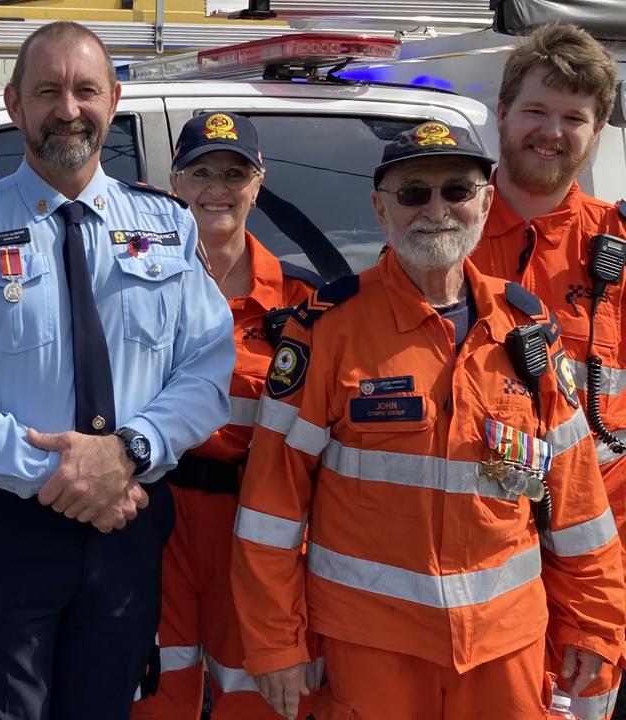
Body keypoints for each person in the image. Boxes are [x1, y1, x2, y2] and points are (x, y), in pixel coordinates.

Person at [231, 120, 626, 720]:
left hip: (506, 651)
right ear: (380, 208)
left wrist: (596, 621)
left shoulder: (526, 329)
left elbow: (578, 504)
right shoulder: (327, 331)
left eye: (456, 191)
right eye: (413, 192)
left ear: (485, 201)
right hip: (372, 650)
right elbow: (271, 508)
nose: (436, 209)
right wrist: (274, 644)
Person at [0, 21, 236, 719]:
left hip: (130, 519)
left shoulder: (168, 225)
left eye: (85, 89)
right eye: (47, 90)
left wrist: (130, 452)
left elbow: (207, 370)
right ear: (13, 103)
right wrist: (65, 476)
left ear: (113, 100)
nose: (68, 108)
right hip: (5, 524)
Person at [131, 112, 318, 720]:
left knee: (256, 694)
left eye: (234, 173)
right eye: (202, 171)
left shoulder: (302, 304)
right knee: (155, 691)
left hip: (259, 525)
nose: (218, 187)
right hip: (158, 519)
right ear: (175, 182)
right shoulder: (136, 285)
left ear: (258, 183)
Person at [469, 23, 626, 719]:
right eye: (536, 110)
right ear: (502, 113)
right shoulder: (443, 231)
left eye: (574, 118)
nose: (552, 132)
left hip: (601, 564)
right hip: (478, 552)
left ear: (596, 132)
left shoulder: (618, 248)